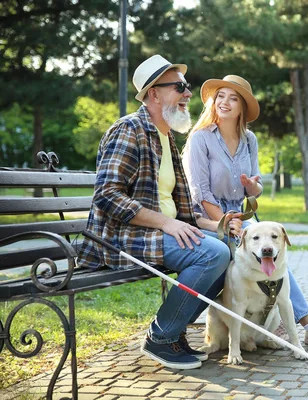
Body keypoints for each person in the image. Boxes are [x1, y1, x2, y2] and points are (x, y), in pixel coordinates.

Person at [78, 55, 239, 370]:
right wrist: (166, 223)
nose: (188, 94)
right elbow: (107, 196)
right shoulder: (130, 129)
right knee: (211, 255)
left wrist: (220, 225)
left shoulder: (166, 136)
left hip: (156, 231)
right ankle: (162, 337)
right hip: (121, 237)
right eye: (180, 87)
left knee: (230, 247)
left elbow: (183, 213)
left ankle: (173, 329)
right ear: (154, 93)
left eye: (187, 87)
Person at [182, 75, 308, 350]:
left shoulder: (249, 140)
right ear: (212, 101)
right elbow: (200, 194)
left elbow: (254, 191)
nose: (225, 102)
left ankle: (304, 326)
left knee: (275, 256)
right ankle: (297, 323)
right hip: (208, 221)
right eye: (220, 96)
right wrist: (227, 222)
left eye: (233, 98)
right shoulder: (200, 139)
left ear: (242, 107)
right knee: (254, 256)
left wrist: (252, 187)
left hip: (242, 219)